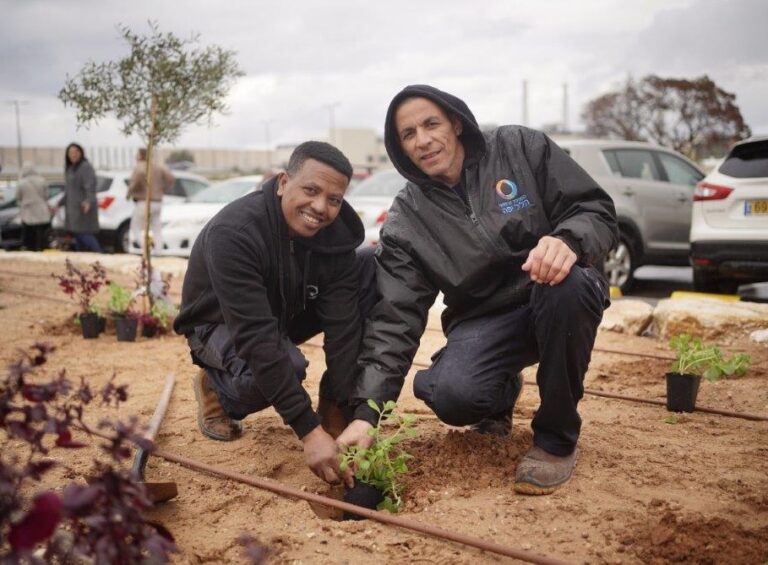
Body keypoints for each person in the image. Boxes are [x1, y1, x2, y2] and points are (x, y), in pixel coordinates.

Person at [341, 85, 618, 495]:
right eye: (409, 134)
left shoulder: (519, 147)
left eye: (431, 123)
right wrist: (366, 414)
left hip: (560, 291)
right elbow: (395, 319)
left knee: (566, 287)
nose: (423, 140)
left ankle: (556, 439)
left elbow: (595, 209)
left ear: (455, 121)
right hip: (488, 318)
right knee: (452, 395)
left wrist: (569, 241)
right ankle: (500, 391)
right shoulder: (407, 219)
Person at [174, 141, 377, 486]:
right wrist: (308, 431)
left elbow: (343, 327)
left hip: (283, 311)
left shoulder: (335, 236)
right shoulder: (235, 233)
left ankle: (331, 405)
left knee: (370, 263)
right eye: (310, 190)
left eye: (333, 199)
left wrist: (341, 407)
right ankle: (216, 387)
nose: (320, 207)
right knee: (283, 367)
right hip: (218, 322)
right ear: (284, 182)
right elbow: (255, 336)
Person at [127, 148, 175, 254]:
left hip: (144, 201)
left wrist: (131, 192)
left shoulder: (140, 167)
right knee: (156, 227)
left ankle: (146, 249)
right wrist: (163, 189)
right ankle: (158, 251)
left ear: (141, 156)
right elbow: (171, 178)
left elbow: (135, 181)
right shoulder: (158, 166)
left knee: (135, 227)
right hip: (158, 201)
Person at [61, 143, 102, 252]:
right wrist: (59, 203)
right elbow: (68, 191)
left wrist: (88, 201)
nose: (73, 155)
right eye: (70, 152)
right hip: (72, 210)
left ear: (81, 153)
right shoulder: (70, 169)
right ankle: (83, 260)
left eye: (76, 152)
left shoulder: (85, 167)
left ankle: (100, 255)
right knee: (77, 235)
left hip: (82, 209)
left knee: (84, 234)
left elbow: (90, 186)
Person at [15, 164, 51, 251]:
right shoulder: (42, 181)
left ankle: (31, 248)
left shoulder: (21, 183)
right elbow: (46, 196)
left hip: (28, 211)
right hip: (41, 210)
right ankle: (42, 248)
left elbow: (18, 197)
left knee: (29, 231)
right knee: (41, 231)